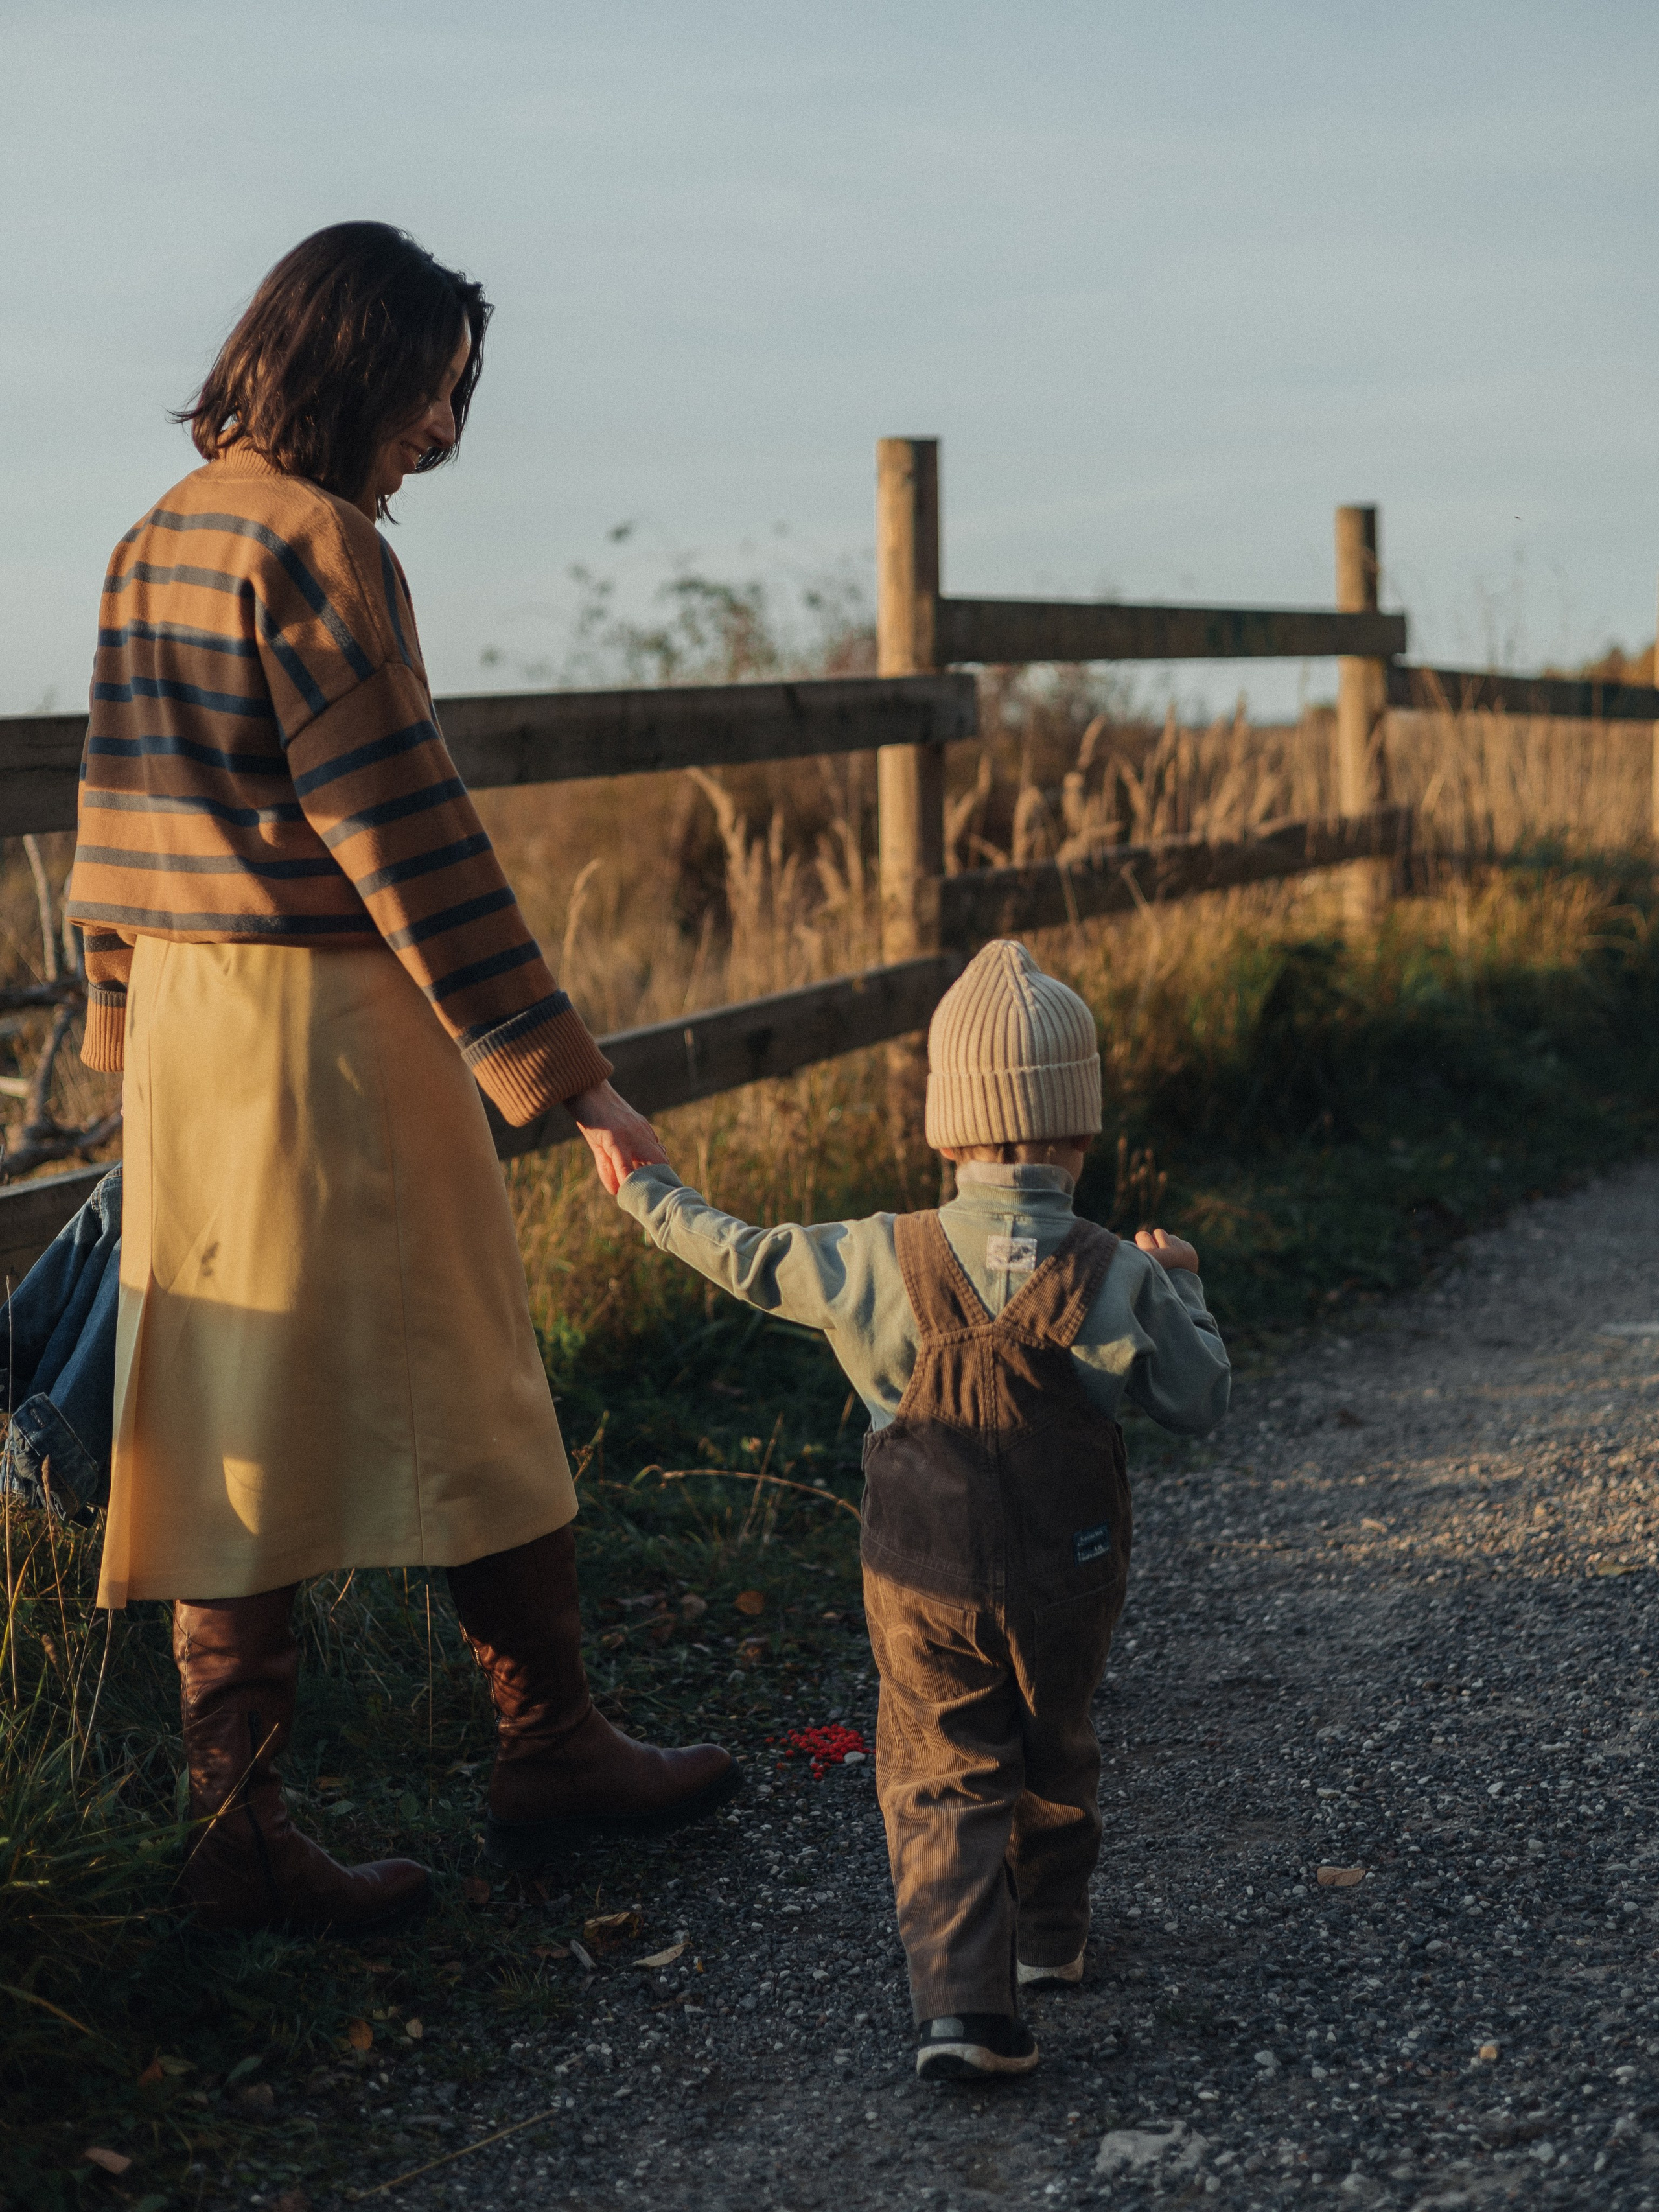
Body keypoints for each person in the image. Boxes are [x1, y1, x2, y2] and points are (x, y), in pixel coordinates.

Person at [65, 222, 739, 1939]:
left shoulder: (155, 540)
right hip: (334, 1033)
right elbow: (408, 836)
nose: (442, 434)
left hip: (202, 1048)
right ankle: (554, 1740)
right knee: (470, 1374)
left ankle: (238, 1826)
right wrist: (569, 1077)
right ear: (356, 365)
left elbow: (113, 831)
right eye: (433, 392)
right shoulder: (320, 547)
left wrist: (122, 1026)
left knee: (230, 1406)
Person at [615, 938, 1230, 2078]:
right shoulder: (1117, 1271)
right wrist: (1183, 1279)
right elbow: (1200, 1399)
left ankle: (964, 2008)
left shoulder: (875, 1257)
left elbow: (747, 1258)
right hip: (1069, 1571)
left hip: (921, 1579)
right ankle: (1048, 1940)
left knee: (939, 1767)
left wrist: (651, 1193)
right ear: (1081, 1130)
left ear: (945, 1131)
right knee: (1056, 1747)